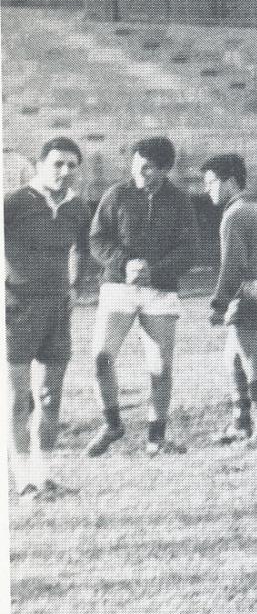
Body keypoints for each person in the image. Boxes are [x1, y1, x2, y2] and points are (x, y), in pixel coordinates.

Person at [84, 135, 198, 457]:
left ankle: (156, 437)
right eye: (135, 165)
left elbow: (190, 249)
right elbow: (97, 239)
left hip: (160, 293)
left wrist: (156, 272)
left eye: (147, 168)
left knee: (160, 366)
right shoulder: (116, 194)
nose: (139, 173)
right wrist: (123, 263)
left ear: (164, 169)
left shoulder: (180, 201)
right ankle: (112, 423)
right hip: (118, 287)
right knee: (101, 358)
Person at [6, 137, 92, 499]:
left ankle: (44, 476)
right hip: (17, 309)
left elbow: (84, 250)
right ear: (40, 165)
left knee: (50, 396)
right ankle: (23, 480)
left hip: (57, 311)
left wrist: (74, 286)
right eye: (57, 163)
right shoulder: (13, 203)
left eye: (72, 165)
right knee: (17, 398)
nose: (65, 171)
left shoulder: (78, 208)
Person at [202, 153, 257, 446]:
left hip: (248, 290)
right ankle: (241, 423)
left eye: (211, 182)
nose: (207, 189)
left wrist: (219, 303)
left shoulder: (234, 214)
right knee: (234, 358)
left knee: (252, 361)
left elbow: (232, 265)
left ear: (230, 182)